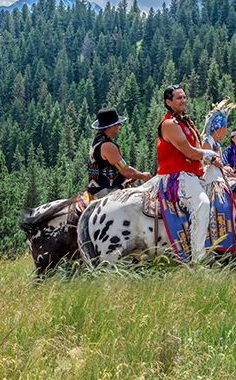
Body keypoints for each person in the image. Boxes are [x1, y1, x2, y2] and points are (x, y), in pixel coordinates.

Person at [155, 86, 216, 262]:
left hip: (190, 173)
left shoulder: (183, 122)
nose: (183, 101)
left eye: (184, 97)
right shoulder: (169, 124)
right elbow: (189, 152)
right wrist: (210, 155)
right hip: (177, 175)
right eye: (178, 98)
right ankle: (199, 256)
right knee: (202, 204)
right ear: (168, 102)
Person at [86, 107, 149, 197]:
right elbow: (125, 171)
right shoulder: (108, 145)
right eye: (118, 124)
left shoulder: (97, 141)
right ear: (111, 126)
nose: (119, 126)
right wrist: (143, 176)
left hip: (96, 189)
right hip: (106, 191)